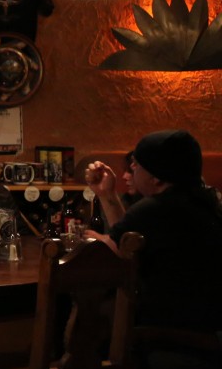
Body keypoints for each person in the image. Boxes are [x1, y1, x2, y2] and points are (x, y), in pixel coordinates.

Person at [84, 130, 222, 333]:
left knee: (95, 319)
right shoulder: (209, 201)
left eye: (137, 164)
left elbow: (115, 255)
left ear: (156, 178)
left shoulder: (154, 208)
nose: (131, 168)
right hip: (209, 330)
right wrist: (107, 194)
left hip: (171, 335)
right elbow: (127, 242)